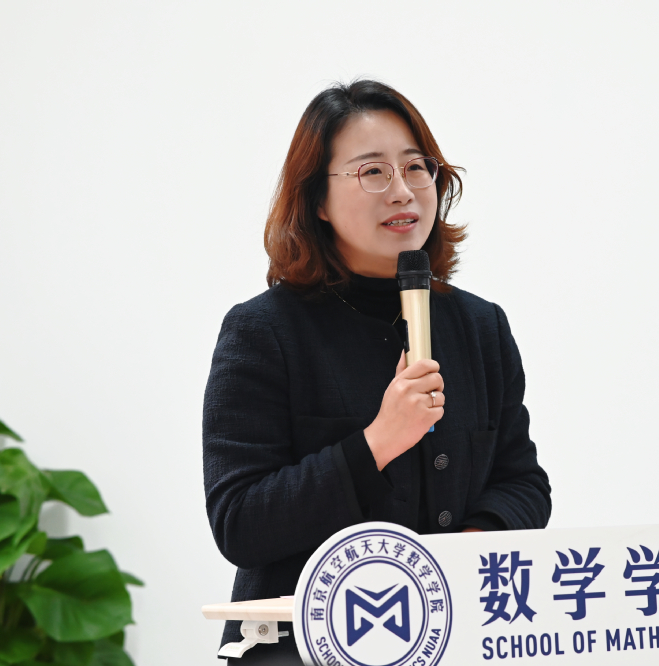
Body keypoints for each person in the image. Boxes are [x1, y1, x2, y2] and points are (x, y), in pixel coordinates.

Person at [202, 80, 551, 664]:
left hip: (451, 641)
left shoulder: (480, 326)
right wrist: (377, 444)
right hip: (306, 648)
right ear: (317, 199)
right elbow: (239, 522)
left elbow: (523, 483)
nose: (403, 191)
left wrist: (464, 555)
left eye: (416, 167)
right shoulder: (263, 332)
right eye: (373, 172)